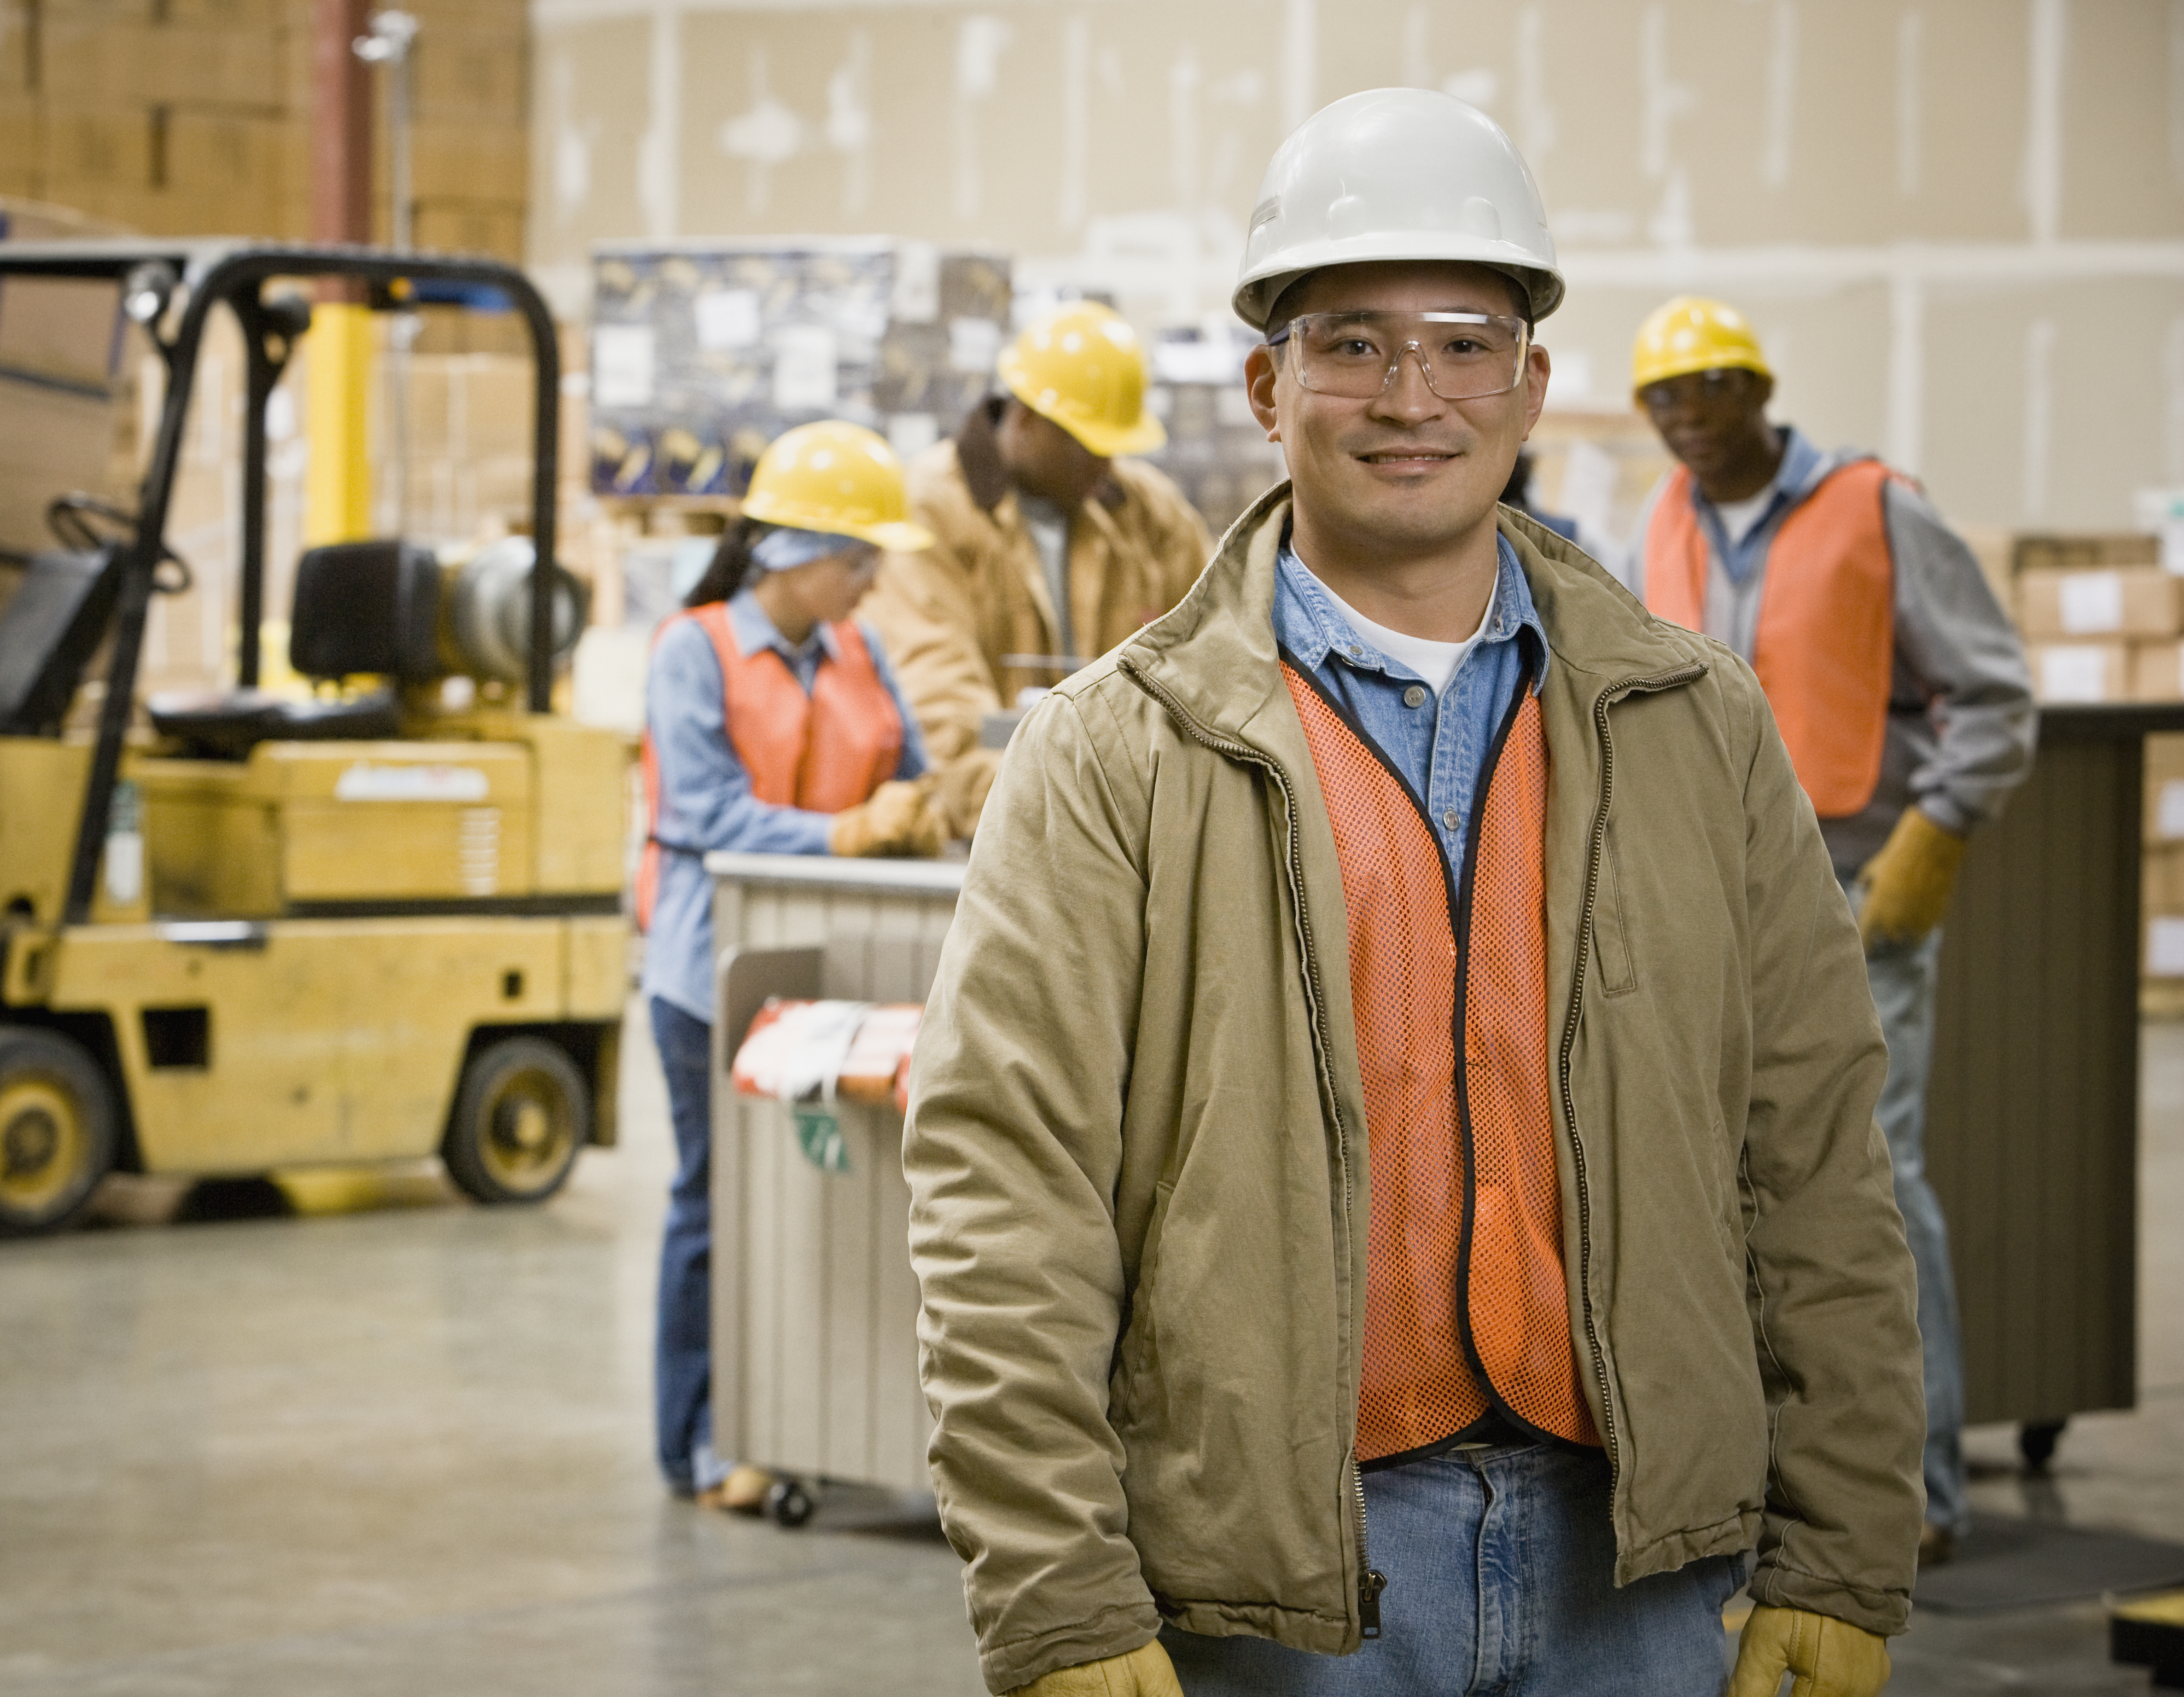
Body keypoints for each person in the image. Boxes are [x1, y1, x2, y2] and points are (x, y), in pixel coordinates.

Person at [903, 88, 1922, 1697]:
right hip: (1280, 1583)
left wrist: (1844, 1541)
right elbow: (1002, 1188)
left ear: (1528, 382)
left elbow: (1810, 1156)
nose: (1410, 393)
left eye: (1462, 339)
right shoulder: (1114, 750)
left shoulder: (1697, 727)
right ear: (1265, 383)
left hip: (1642, 1570)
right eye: (1353, 342)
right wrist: (1060, 1594)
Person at [1620, 296, 2037, 1568]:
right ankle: (1754, 1483)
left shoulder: (1874, 508)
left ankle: (1913, 1490)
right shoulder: (1661, 524)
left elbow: (1994, 695)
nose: (1684, 415)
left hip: (1857, 900)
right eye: (1661, 397)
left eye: (1706, 388)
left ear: (1756, 389)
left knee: (1870, 1184)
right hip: (1714, 901)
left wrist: (1936, 831)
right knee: (1717, 1189)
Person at [638, 420, 945, 1511]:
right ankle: (704, 1440)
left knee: (816, 1199)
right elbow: (706, 810)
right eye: (858, 559)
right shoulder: (695, 649)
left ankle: (796, 1414)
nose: (869, 581)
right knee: (717, 1202)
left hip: (839, 960)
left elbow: (909, 770)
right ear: (796, 554)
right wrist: (846, 834)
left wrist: (918, 804)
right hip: (706, 970)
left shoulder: (859, 653)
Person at [862, 301, 1213, 835]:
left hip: (1131, 822)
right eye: (1086, 444)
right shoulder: (932, 509)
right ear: (1026, 420)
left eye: (1113, 446)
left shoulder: (1146, 512)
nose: (1105, 464)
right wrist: (1048, 818)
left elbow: (1220, 644)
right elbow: (942, 704)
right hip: (1004, 829)